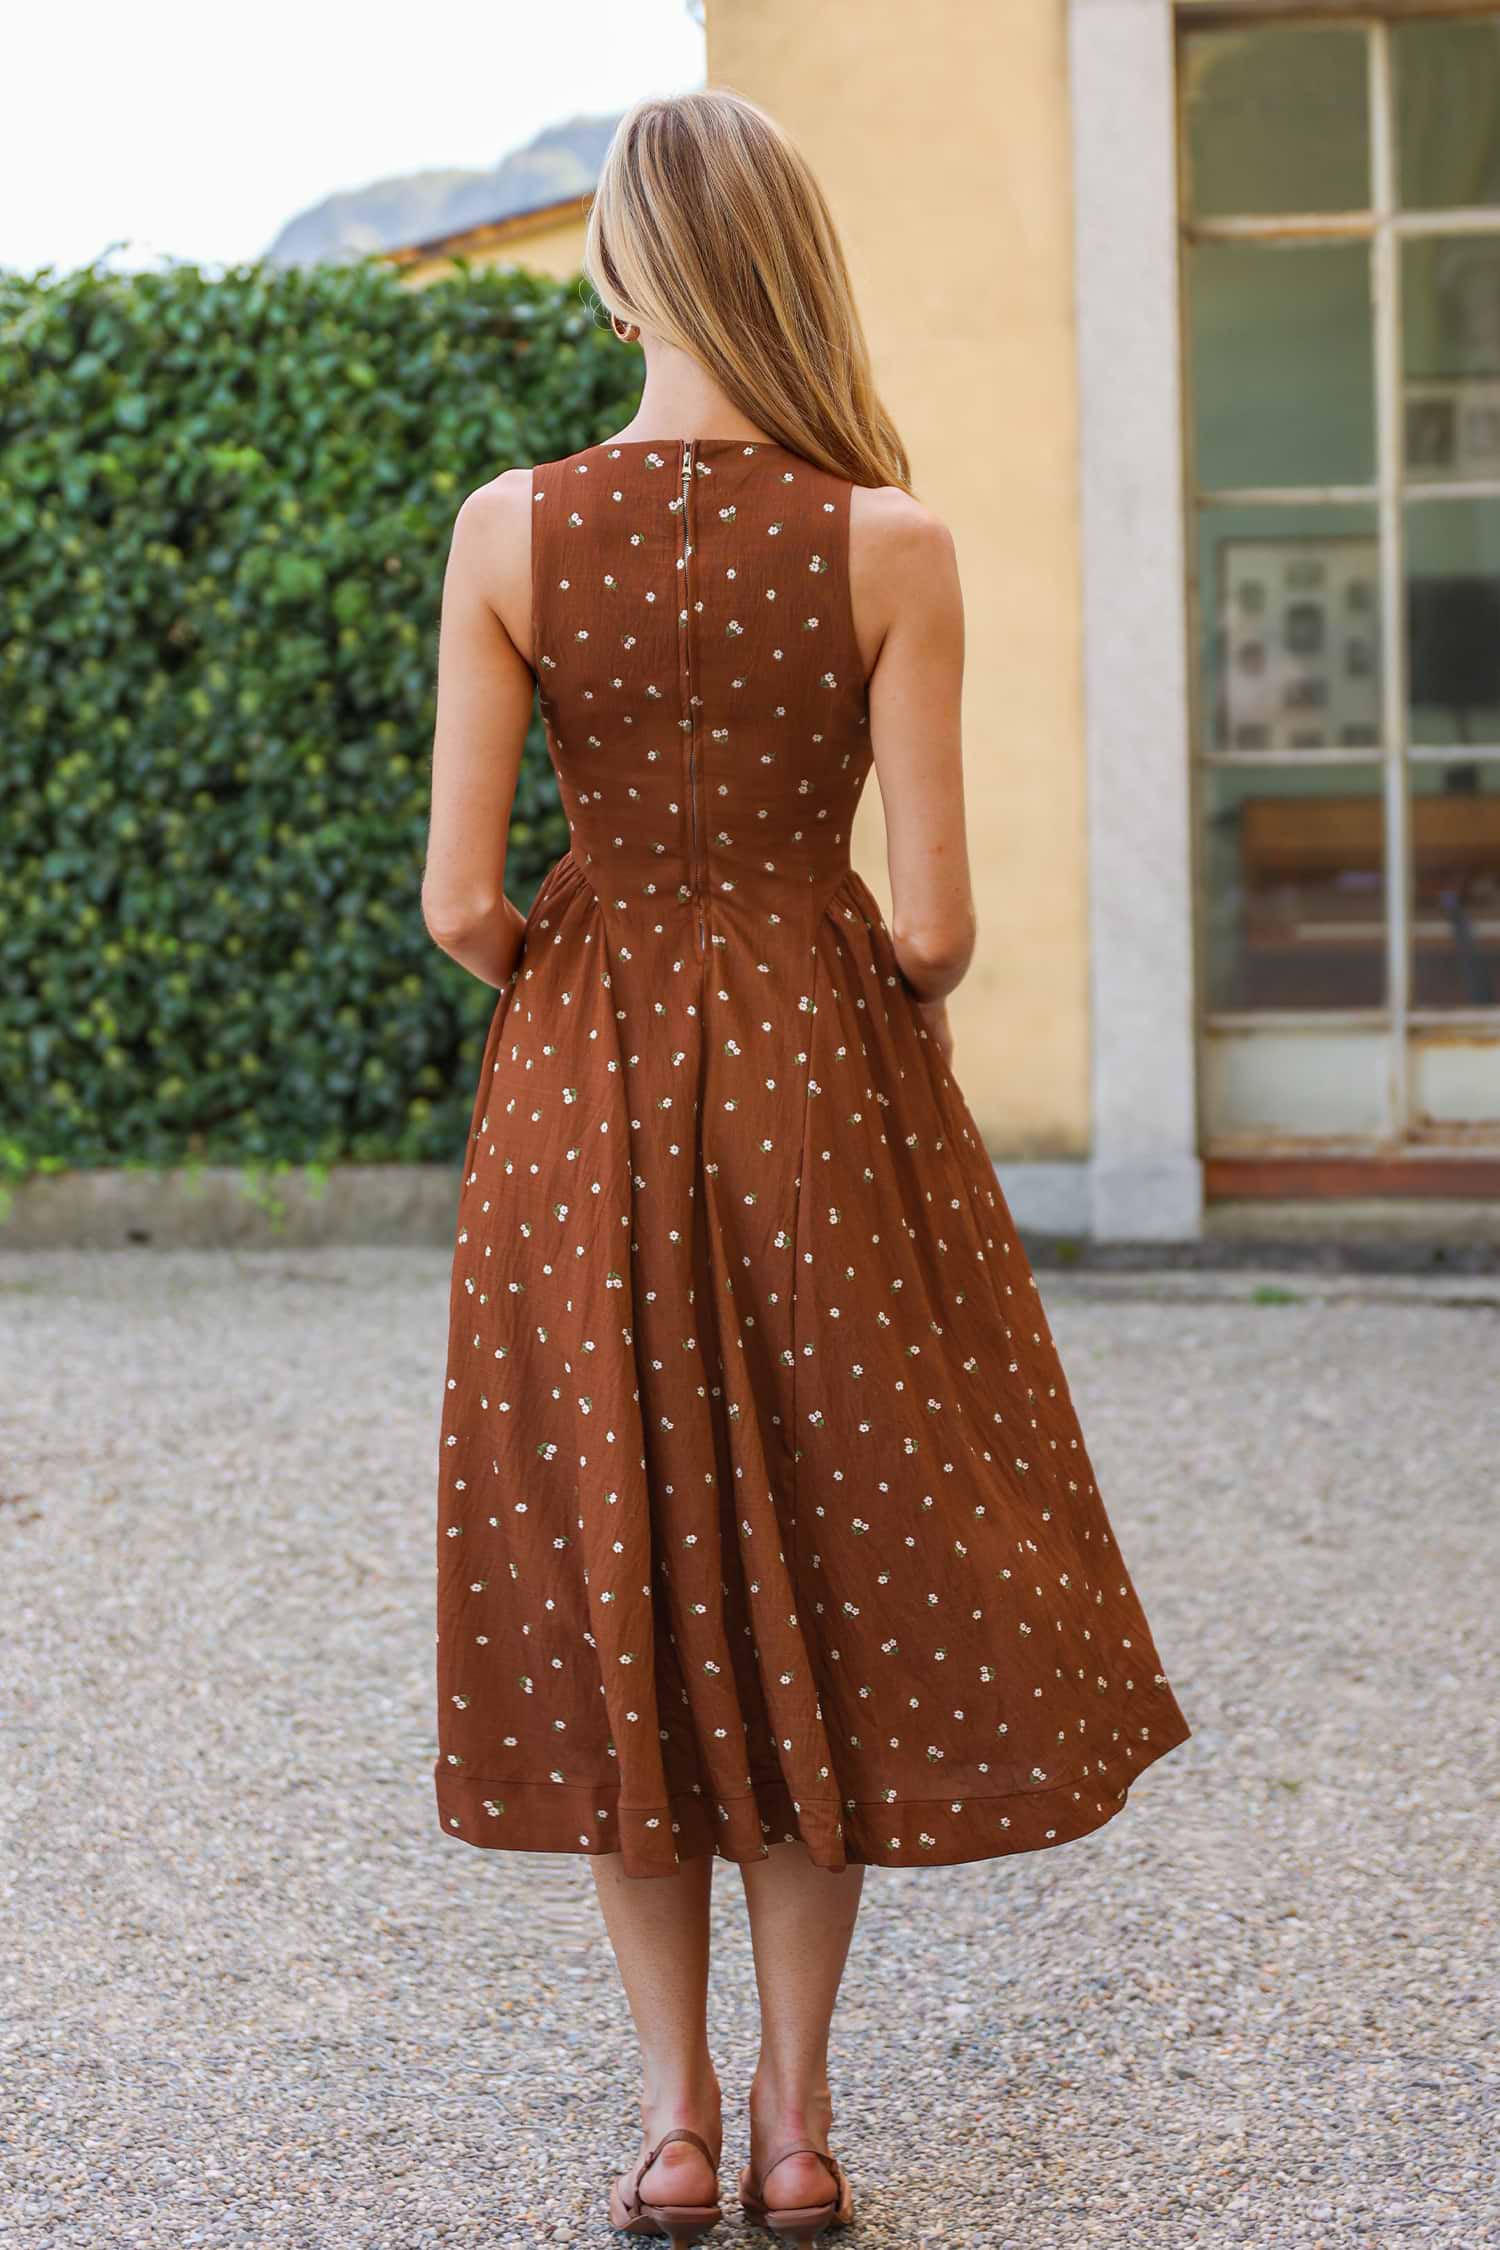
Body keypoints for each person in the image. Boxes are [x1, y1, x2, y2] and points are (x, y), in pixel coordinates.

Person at [421, 87, 1192, 2249]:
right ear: (789, 268)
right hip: (815, 1096)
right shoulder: (891, 540)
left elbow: (459, 899)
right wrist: (810, 962)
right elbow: (935, 926)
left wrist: (586, 978)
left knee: (625, 1574)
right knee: (814, 1574)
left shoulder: (506, 530)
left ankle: (670, 2124)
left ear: (615, 274)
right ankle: (797, 2124)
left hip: (581, 1091)